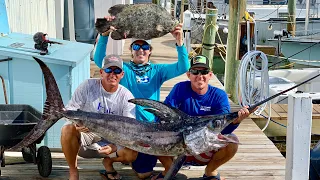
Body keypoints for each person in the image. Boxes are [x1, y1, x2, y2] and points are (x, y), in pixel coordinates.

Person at [93, 16, 189, 179]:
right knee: (142, 172)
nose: (140, 49)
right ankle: (112, 162)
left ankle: (139, 159)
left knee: (146, 173)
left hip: (152, 127)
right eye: (136, 46)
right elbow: (100, 60)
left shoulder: (158, 70)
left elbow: (184, 66)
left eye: (145, 46)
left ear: (150, 51)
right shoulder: (124, 69)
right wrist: (103, 36)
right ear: (131, 50)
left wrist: (179, 42)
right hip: (129, 126)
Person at [152, 55, 254, 180]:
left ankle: (210, 171)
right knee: (155, 134)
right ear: (189, 75)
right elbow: (164, 115)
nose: (200, 76)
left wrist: (235, 122)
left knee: (232, 141)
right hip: (178, 147)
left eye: (204, 72)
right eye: (195, 71)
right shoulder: (179, 88)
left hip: (205, 149)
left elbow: (222, 129)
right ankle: (169, 169)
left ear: (210, 75)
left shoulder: (219, 95)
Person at [61, 54, 137, 180]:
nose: (112, 74)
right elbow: (69, 110)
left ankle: (109, 162)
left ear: (122, 74)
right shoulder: (87, 86)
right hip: (88, 135)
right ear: (101, 72)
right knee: (67, 129)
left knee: (132, 153)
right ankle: (73, 171)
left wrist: (114, 146)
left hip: (113, 141)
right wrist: (77, 124)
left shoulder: (127, 96)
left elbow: (130, 129)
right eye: (108, 70)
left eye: (116, 71)